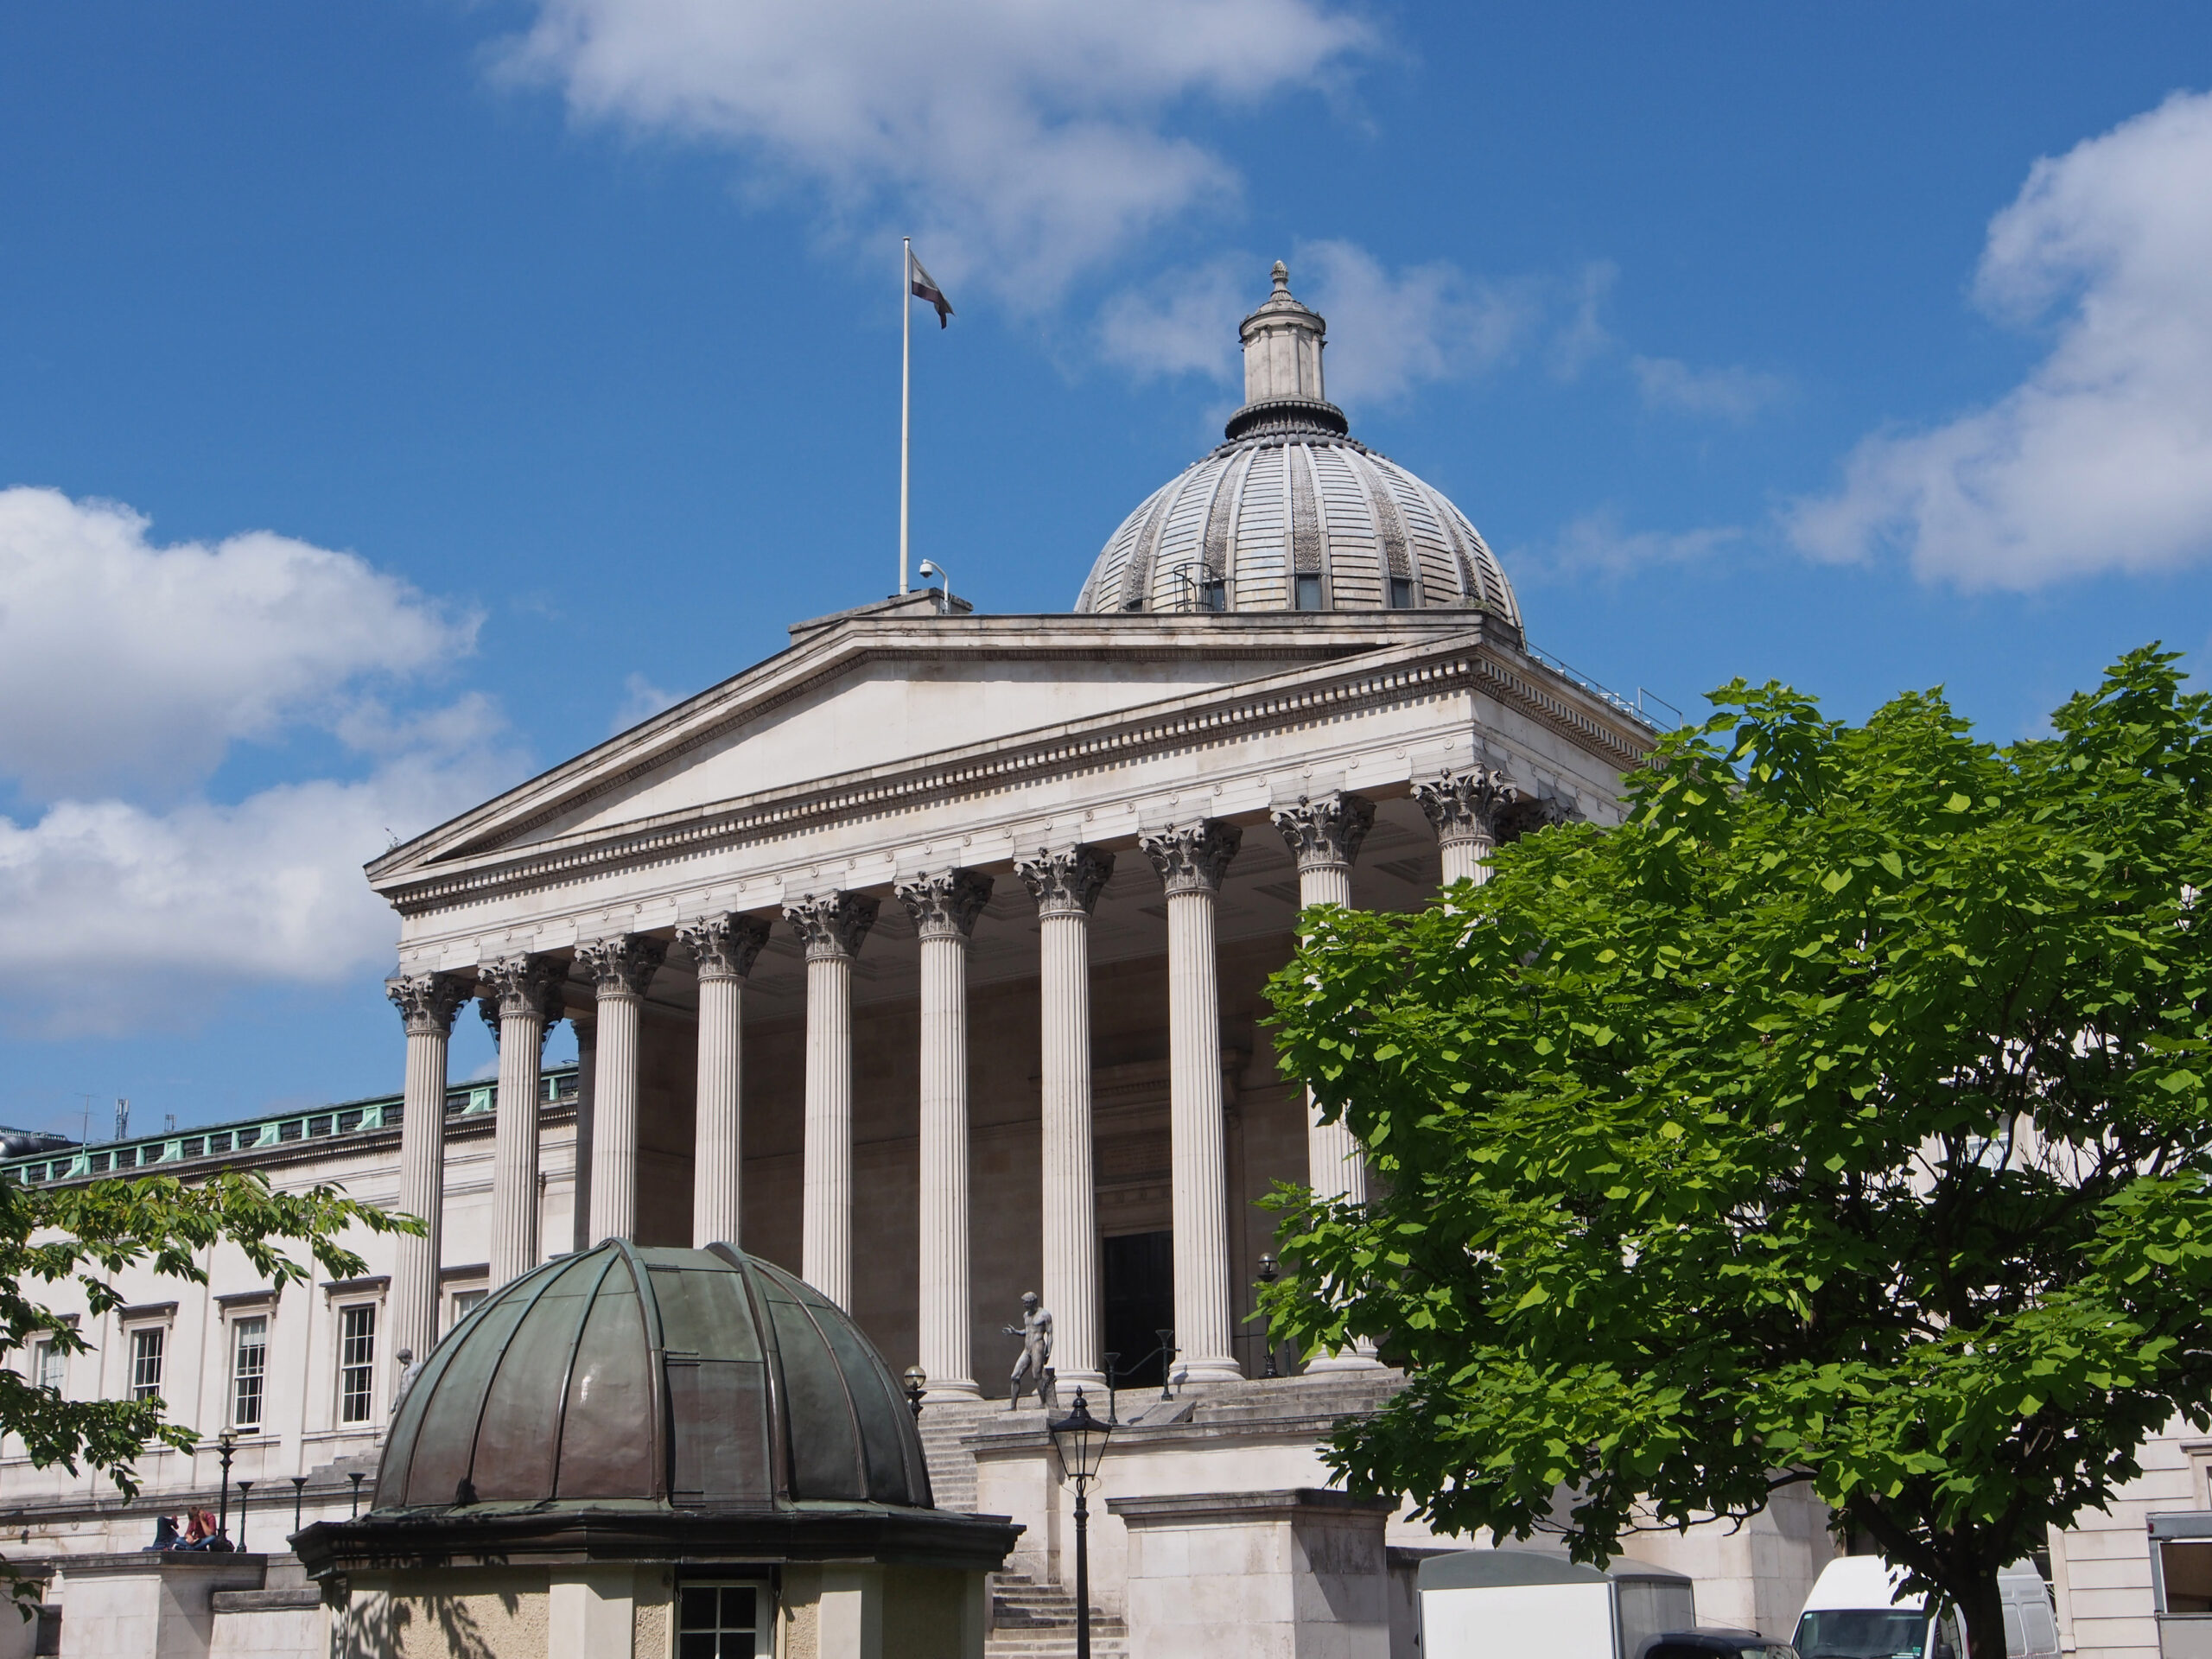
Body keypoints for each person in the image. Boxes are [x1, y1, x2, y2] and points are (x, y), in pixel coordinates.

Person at [1002, 1292, 1057, 1411]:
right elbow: (1028, 1331)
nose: (1024, 1305)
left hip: (1038, 1346)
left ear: (1033, 1302)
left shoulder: (1044, 1315)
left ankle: (1044, 1402)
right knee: (1015, 1376)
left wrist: (1048, 1351)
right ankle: (1013, 1406)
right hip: (1027, 1348)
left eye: (1026, 1302)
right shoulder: (1026, 1315)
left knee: (1037, 1375)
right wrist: (1016, 1332)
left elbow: (1050, 1334)